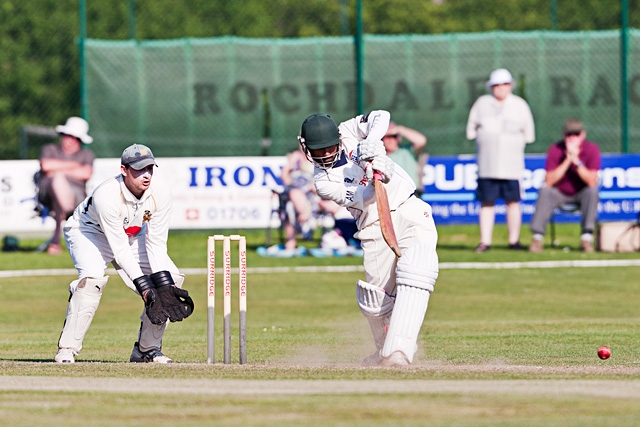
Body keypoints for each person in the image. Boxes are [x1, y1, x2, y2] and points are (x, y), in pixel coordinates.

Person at [298, 111, 439, 367]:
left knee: (418, 267)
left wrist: (373, 141)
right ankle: (383, 350)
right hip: (374, 224)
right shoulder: (324, 181)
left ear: (338, 139)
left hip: (409, 207)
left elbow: (381, 115)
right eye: (319, 152)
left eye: (329, 148)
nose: (326, 155)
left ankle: (399, 352)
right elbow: (365, 197)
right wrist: (378, 177)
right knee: (376, 301)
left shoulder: (348, 130)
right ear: (307, 149)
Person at [53, 144, 194, 364]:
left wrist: (163, 287)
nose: (146, 175)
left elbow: (156, 244)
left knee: (170, 281)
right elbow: (119, 250)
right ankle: (67, 349)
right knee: (91, 280)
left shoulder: (161, 192)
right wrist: (145, 288)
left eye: (149, 168)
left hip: (131, 236)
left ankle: (146, 350)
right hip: (89, 233)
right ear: (124, 169)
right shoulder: (107, 196)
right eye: (139, 169)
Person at [466, 68, 535, 252]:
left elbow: (529, 134)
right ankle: (485, 241)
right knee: (487, 203)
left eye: (504, 84)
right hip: (487, 165)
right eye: (497, 85)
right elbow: (471, 129)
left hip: (511, 166)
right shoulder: (481, 104)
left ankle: (514, 241)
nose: (501, 88)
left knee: (512, 202)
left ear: (510, 85)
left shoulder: (520, 105)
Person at [529, 119, 600, 253]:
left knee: (592, 191)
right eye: (569, 135)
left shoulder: (592, 149)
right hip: (559, 193)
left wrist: (577, 161)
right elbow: (549, 181)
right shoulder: (555, 150)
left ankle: (586, 238)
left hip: (581, 193)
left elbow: (592, 181)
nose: (572, 138)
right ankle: (537, 238)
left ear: (582, 135)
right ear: (564, 136)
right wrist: (567, 160)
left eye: (576, 134)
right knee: (545, 191)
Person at [38, 117, 95, 255]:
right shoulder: (50, 149)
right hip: (47, 194)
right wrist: (74, 166)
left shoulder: (86, 154)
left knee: (57, 179)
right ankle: (56, 241)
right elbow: (45, 165)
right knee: (57, 184)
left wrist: (57, 169)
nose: (70, 141)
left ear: (79, 141)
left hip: (77, 197)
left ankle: (56, 243)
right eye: (67, 136)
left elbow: (86, 173)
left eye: (74, 138)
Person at [382, 121, 427, 193]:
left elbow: (421, 141)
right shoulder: (380, 156)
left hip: (411, 193)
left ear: (399, 139)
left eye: (394, 136)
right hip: (391, 194)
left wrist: (399, 129)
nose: (390, 140)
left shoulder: (407, 151)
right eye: (387, 136)